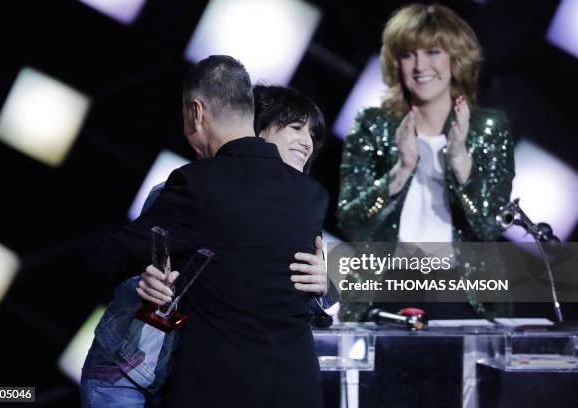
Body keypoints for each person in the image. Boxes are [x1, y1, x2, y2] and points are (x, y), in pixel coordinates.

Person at [85, 55, 328, 408]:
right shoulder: (189, 187)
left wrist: (327, 281)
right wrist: (144, 281)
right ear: (256, 129)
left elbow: (299, 295)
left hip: (226, 380)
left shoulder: (306, 201)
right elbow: (131, 268)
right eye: (295, 127)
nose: (307, 142)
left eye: (313, 135)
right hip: (136, 370)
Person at [337, 4, 515, 321]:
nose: (420, 65)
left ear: (455, 59)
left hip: (462, 289)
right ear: (396, 62)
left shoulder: (488, 127)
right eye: (408, 54)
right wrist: (401, 169)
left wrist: (460, 159)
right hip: (386, 285)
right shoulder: (373, 124)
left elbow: (489, 225)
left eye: (433, 52)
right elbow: (350, 220)